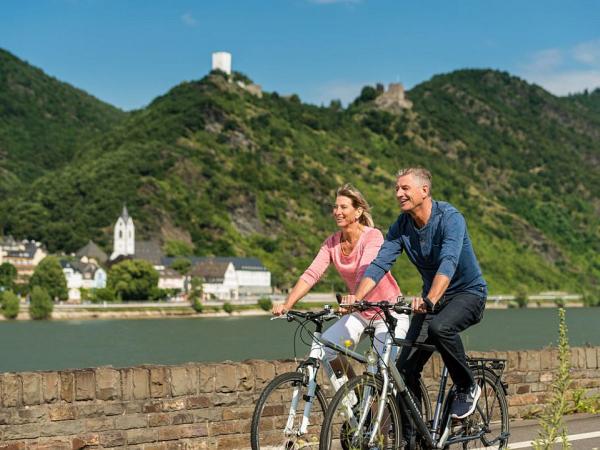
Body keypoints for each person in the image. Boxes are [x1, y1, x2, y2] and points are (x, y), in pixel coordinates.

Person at [349, 167, 487, 420]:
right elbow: (380, 263)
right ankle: (414, 438)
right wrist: (357, 299)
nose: (398, 193)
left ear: (424, 191)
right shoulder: (402, 226)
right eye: (397, 188)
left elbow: (448, 261)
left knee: (440, 328)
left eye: (405, 188)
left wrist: (430, 299)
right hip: (432, 300)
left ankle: (467, 386)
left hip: (468, 294)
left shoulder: (450, 218)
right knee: (404, 370)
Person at [273, 183, 409, 381]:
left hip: (389, 312)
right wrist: (287, 305)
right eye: (335, 207)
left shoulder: (373, 236)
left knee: (384, 371)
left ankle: (390, 409)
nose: (337, 212)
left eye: (343, 207)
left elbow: (367, 268)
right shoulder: (332, 243)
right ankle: (354, 402)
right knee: (326, 347)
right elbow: (312, 273)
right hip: (361, 312)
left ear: (358, 211)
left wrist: (354, 298)